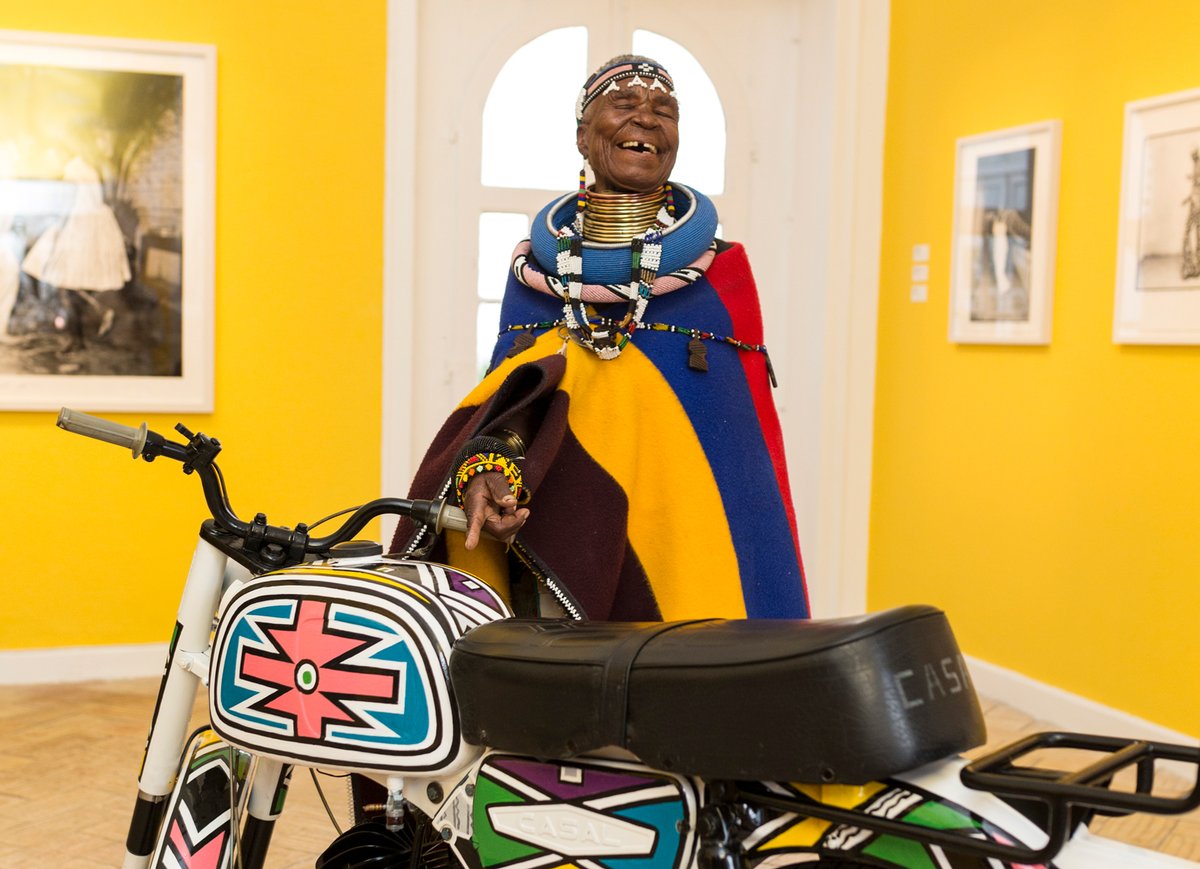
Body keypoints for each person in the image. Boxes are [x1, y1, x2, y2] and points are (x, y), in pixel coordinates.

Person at [391, 55, 808, 622]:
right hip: (565, 519)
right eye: (625, 105)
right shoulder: (538, 277)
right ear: (583, 137)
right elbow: (513, 399)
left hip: (685, 525)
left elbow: (735, 447)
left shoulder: (721, 279)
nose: (647, 119)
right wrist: (491, 465)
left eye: (665, 111)